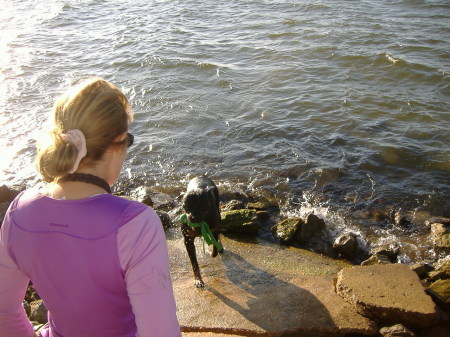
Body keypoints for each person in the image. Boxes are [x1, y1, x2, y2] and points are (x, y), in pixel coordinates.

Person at [0, 77, 181, 337]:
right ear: (119, 140)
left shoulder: (19, 211)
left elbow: (3, 311)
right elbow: (161, 332)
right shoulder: (136, 223)